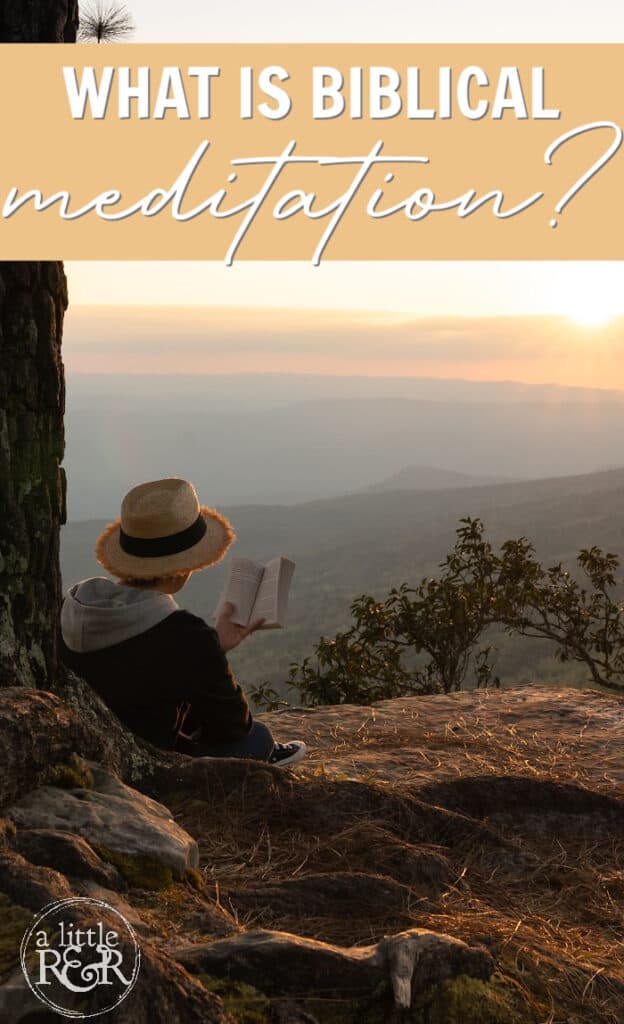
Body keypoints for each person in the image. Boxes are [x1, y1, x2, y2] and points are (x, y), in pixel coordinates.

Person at [59, 477, 306, 768]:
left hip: (80, 747)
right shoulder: (184, 635)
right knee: (258, 739)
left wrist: (214, 647)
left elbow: (136, 673)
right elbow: (234, 725)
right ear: (180, 570)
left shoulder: (71, 608)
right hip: (145, 759)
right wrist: (209, 649)